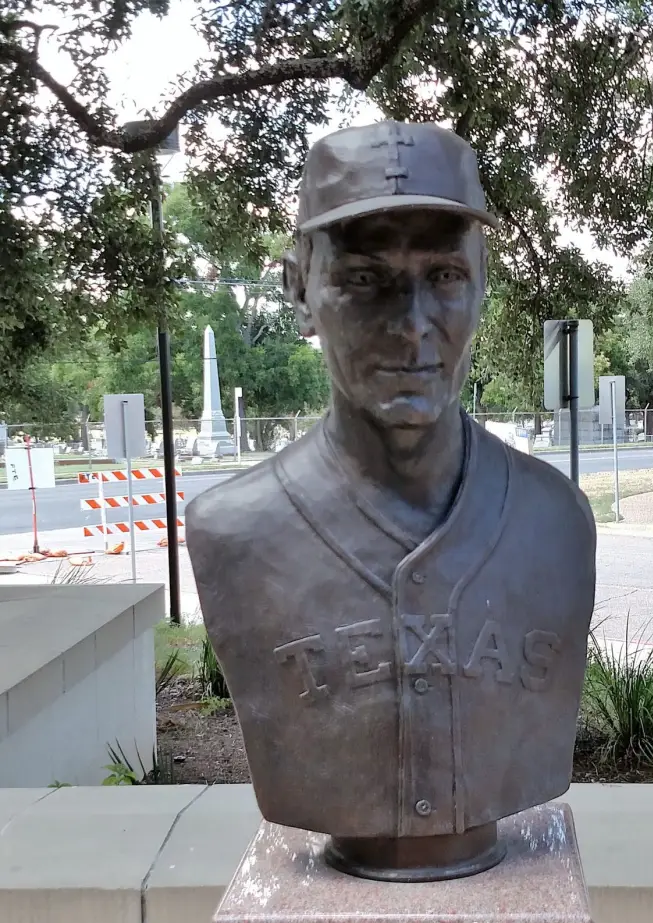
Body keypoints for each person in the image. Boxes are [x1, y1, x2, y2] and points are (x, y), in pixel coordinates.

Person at [186, 121, 596, 881]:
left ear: (481, 285)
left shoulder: (557, 524)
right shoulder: (232, 533)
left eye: (443, 275)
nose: (413, 329)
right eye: (365, 280)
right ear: (299, 292)